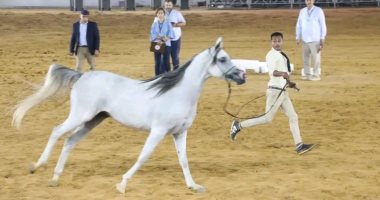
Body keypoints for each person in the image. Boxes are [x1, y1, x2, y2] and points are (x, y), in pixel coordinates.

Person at [229, 32, 315, 155]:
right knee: (267, 118)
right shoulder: (271, 55)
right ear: (271, 42)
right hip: (275, 91)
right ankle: (238, 125)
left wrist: (290, 84)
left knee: (293, 117)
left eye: (279, 40)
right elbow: (273, 72)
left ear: (282, 41)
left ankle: (299, 145)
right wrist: (283, 74)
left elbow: (283, 74)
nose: (277, 43)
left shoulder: (280, 55)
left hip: (282, 90)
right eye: (274, 41)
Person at [296, 0, 327, 81]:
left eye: (310, 0)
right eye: (307, 0)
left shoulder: (318, 11)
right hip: (305, 39)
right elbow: (299, 24)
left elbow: (323, 25)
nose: (308, 1)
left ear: (313, 1)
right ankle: (307, 74)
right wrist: (298, 36)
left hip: (315, 39)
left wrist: (322, 37)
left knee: (316, 58)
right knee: (305, 58)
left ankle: (316, 75)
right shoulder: (302, 11)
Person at [150, 8, 174, 76]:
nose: (160, 15)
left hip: (166, 44)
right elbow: (152, 34)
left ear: (164, 14)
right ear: (156, 15)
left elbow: (171, 33)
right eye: (159, 13)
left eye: (162, 13)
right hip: (157, 44)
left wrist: (164, 39)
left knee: (166, 62)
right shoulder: (154, 24)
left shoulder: (168, 23)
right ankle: (157, 77)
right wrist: (161, 38)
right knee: (157, 62)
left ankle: (169, 76)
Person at [164, 0, 186, 71]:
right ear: (164, 5)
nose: (168, 6)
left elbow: (184, 23)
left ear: (172, 5)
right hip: (165, 39)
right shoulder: (161, 13)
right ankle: (167, 74)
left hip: (175, 39)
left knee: (175, 57)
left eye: (169, 5)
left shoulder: (177, 13)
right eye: (166, 5)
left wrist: (175, 25)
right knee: (165, 58)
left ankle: (176, 73)